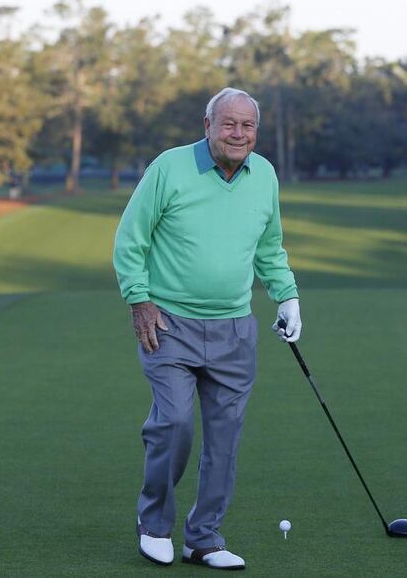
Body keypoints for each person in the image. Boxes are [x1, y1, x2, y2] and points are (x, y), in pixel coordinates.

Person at [113, 87, 302, 571]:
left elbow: (270, 247)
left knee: (225, 439)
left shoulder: (264, 176)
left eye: (248, 126)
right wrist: (139, 299)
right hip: (168, 324)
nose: (239, 134)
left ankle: (203, 538)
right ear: (208, 125)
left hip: (235, 329)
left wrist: (287, 296)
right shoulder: (169, 168)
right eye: (229, 124)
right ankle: (154, 525)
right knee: (173, 424)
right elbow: (131, 238)